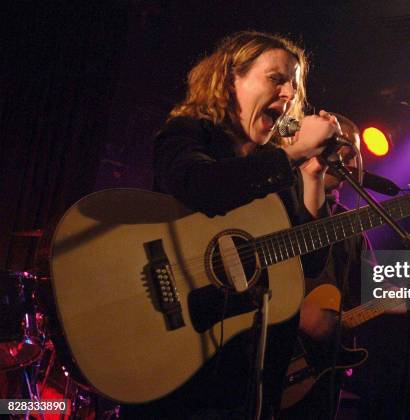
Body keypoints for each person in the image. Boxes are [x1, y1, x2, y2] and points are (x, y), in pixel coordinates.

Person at [121, 31, 341, 419]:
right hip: (178, 366)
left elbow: (304, 264)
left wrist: (312, 177)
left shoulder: (279, 167)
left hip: (245, 381)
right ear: (229, 80)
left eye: (294, 83)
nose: (289, 94)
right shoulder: (188, 134)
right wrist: (294, 153)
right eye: (276, 78)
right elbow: (203, 188)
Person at [281, 115, 373, 419]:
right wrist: (298, 314)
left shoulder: (353, 228)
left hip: (320, 372)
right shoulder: (278, 201)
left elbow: (365, 296)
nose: (346, 156)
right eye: (338, 144)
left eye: (351, 151)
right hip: (269, 356)